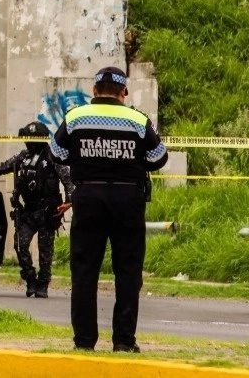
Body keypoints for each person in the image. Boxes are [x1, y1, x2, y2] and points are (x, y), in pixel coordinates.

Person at [49, 66, 167, 353]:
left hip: (88, 196)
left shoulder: (76, 116)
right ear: (124, 91)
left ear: (94, 90)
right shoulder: (138, 120)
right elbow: (158, 157)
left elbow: (56, 151)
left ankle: (84, 341)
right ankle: (124, 341)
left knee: (85, 271)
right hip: (128, 199)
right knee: (128, 271)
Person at [0, 120, 73, 299]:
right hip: (29, 211)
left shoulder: (52, 157)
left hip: (48, 211)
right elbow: (3, 167)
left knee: (45, 250)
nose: (28, 142)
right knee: (20, 244)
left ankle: (43, 284)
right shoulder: (23, 157)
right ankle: (30, 277)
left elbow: (68, 180)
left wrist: (70, 201)